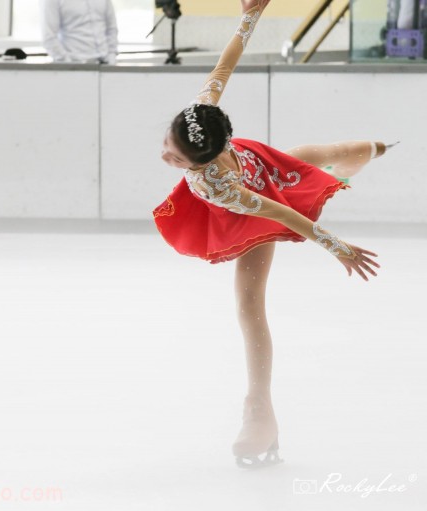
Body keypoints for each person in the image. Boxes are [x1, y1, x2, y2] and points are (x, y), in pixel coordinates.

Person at [153, 0, 391, 468]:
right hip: (254, 160)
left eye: (176, 159)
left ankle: (259, 407)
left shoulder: (217, 187)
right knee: (310, 157)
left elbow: (283, 214)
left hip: (250, 201)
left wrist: (338, 248)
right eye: (167, 144)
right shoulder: (201, 113)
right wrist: (251, 15)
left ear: (203, 160)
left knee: (248, 304)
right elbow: (226, 64)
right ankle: (365, 150)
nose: (166, 157)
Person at [40, 0, 119, 64]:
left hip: (105, 64)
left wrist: (111, 56)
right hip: (74, 66)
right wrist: (67, 63)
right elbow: (49, 37)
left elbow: (111, 28)